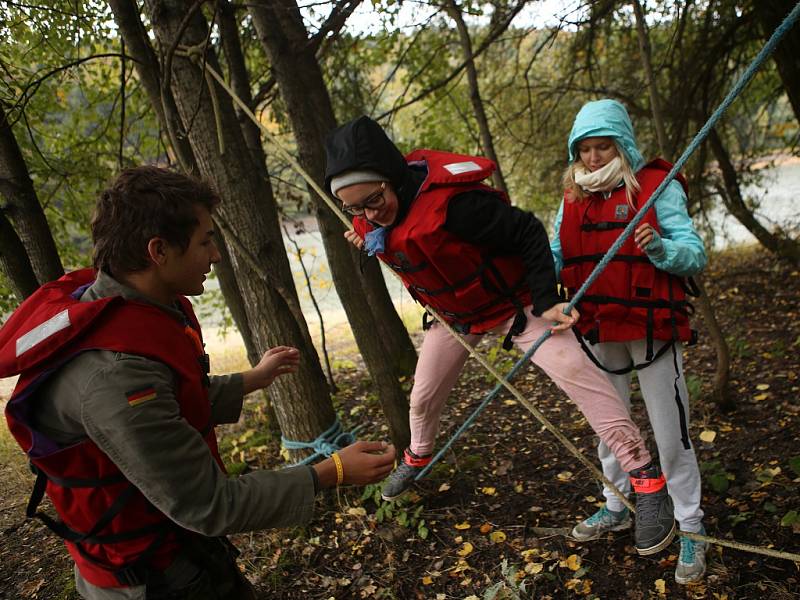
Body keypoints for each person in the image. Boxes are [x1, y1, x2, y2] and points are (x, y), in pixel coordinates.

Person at [0, 166, 396, 600]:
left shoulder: (128, 306)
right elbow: (209, 504)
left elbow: (172, 403)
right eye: (206, 241)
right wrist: (333, 470)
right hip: (149, 580)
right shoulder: (117, 377)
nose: (216, 255)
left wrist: (252, 379)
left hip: (177, 550)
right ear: (159, 251)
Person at [324, 115, 677, 558]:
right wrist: (367, 232)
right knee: (422, 396)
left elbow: (528, 231)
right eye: (355, 209)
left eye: (374, 200)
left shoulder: (458, 207)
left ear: (391, 179)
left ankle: (647, 480)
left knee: (583, 380)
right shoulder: (372, 216)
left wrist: (547, 299)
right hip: (455, 318)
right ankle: (417, 455)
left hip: (516, 307)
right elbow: (386, 233)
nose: (370, 213)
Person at [550, 99, 708, 584]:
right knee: (609, 426)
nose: (594, 158)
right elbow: (556, 253)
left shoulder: (656, 187)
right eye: (586, 150)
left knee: (669, 430)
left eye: (603, 147)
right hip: (597, 324)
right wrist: (543, 292)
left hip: (651, 327)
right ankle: (615, 505)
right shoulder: (572, 195)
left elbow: (694, 253)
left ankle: (691, 526)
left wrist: (662, 250)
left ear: (622, 146)